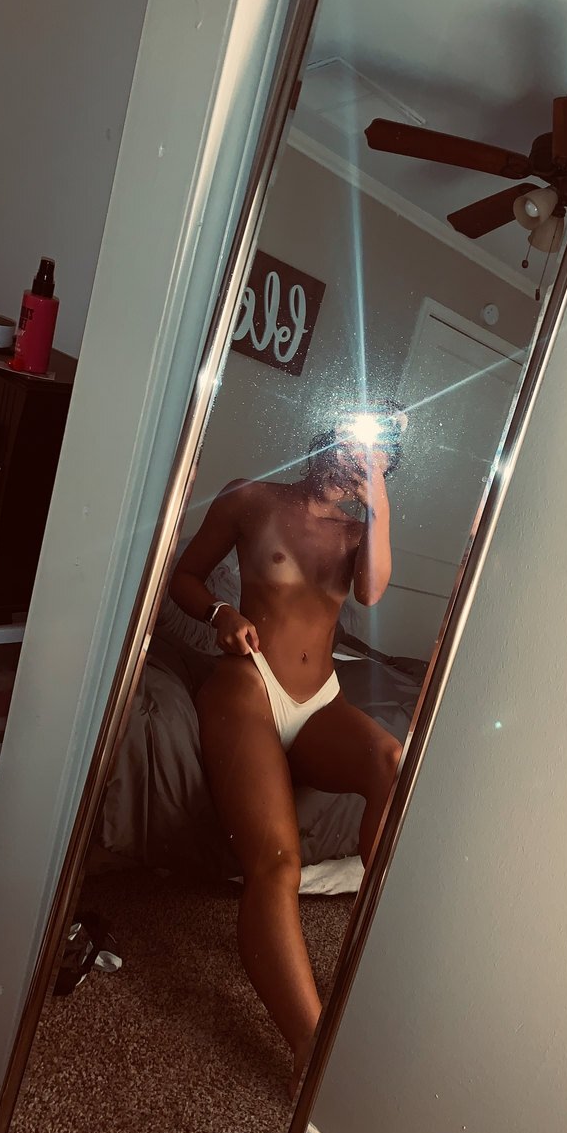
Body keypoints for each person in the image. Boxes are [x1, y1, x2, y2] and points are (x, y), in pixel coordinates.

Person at [168, 421, 403, 1095]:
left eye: (377, 457)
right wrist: (219, 613)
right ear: (327, 436)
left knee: (391, 760)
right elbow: (184, 576)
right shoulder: (250, 498)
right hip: (248, 685)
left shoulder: (359, 535)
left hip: (320, 699)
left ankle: (368, 960)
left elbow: (371, 593)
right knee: (278, 864)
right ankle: (310, 1048)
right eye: (352, 441)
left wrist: (379, 506)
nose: (356, 459)